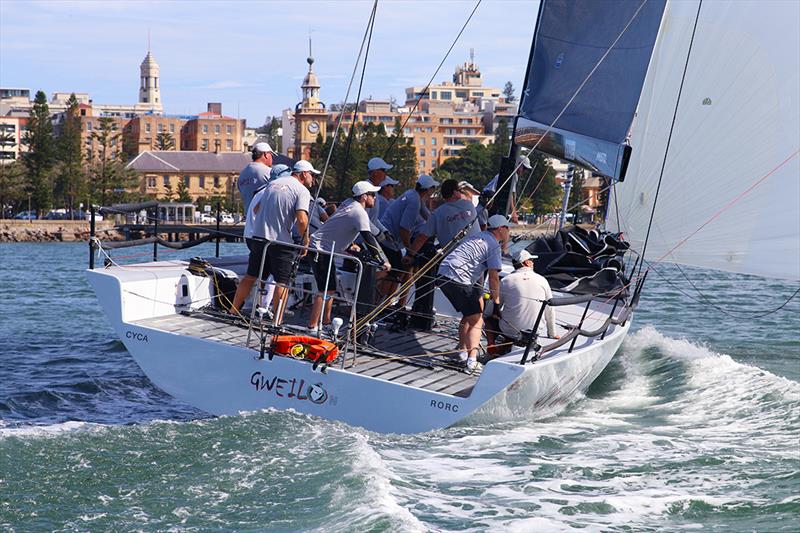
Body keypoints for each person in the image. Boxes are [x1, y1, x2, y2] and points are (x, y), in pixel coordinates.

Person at [230, 160, 318, 323]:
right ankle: (277, 321)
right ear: (303, 174)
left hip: (258, 238)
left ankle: (233, 311)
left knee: (251, 276)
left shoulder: (272, 185)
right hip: (280, 242)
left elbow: (257, 209)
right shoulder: (301, 190)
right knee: (281, 282)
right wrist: (305, 242)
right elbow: (302, 219)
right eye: (312, 175)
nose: (313, 179)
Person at [307, 181, 391, 331]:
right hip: (320, 249)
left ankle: (325, 323)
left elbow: (341, 225)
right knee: (325, 289)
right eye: (372, 195)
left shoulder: (349, 203)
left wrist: (350, 245)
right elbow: (368, 238)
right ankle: (312, 326)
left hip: (324, 248)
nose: (375, 198)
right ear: (364, 197)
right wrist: (382, 260)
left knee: (330, 288)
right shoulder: (359, 211)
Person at [436, 214, 512, 373]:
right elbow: (493, 278)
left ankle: (462, 353)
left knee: (468, 315)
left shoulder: (479, 236)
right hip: (458, 278)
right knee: (478, 321)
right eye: (507, 228)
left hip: (443, 273)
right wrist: (496, 303)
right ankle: (472, 361)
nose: (509, 231)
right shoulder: (493, 245)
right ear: (500, 229)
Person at [402, 179, 479, 327]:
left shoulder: (438, 213)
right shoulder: (469, 206)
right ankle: (471, 331)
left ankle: (469, 327)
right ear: (456, 192)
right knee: (475, 302)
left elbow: (422, 237)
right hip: (476, 260)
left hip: (455, 264)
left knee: (471, 306)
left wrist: (410, 254)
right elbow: (465, 199)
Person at [379, 174, 439, 303]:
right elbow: (404, 229)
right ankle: (377, 304)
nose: (433, 191)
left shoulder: (413, 195)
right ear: (428, 189)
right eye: (433, 188)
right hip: (388, 240)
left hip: (387, 238)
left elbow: (428, 217)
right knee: (396, 270)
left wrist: (438, 226)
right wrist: (410, 251)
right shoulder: (414, 202)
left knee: (398, 271)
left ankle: (384, 304)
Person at [486, 249, 558, 353]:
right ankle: (508, 344)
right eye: (531, 260)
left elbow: (492, 309)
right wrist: (552, 334)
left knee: (488, 318)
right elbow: (550, 309)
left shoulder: (506, 281)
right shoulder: (542, 280)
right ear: (526, 263)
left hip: (510, 331)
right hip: (535, 331)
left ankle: (491, 345)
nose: (533, 263)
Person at [237, 142, 274, 214]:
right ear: (266, 154)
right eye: (271, 155)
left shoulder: (242, 174)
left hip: (248, 219)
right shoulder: (269, 172)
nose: (272, 159)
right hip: (263, 218)